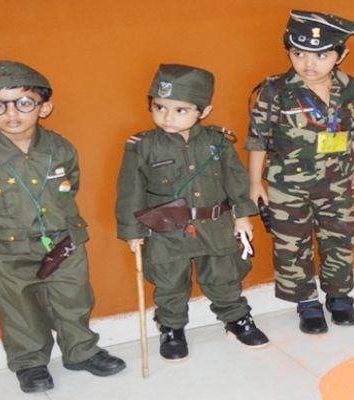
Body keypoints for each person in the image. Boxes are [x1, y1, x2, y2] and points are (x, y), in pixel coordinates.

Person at [0, 60, 126, 393]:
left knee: (74, 298)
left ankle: (81, 351)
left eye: (24, 102)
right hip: (9, 247)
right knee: (18, 306)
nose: (11, 112)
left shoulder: (60, 148)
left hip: (63, 241)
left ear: (44, 107)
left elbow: (70, 186)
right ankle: (30, 363)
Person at [116, 64, 269, 361]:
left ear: (204, 110)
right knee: (170, 281)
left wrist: (241, 216)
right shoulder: (142, 146)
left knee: (224, 276)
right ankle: (171, 327)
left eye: (181, 110)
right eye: (159, 107)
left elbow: (235, 180)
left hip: (215, 223)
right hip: (167, 229)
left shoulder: (218, 141)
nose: (168, 117)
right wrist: (133, 232)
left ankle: (236, 319)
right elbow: (130, 191)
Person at [246, 10, 354, 334]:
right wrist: (255, 182)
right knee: (292, 244)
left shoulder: (347, 86)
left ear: (341, 55)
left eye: (321, 55)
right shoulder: (274, 90)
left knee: (339, 238)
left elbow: (353, 129)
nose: (308, 63)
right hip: (289, 185)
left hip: (337, 180)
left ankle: (339, 296)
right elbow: (257, 138)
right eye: (298, 53)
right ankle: (307, 301)